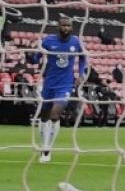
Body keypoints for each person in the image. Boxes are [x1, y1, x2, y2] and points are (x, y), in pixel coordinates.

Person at [30, 17, 87, 163]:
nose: (66, 28)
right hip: (49, 83)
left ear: (72, 28)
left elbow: (83, 58)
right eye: (64, 25)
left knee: (55, 115)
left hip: (66, 85)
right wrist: (34, 58)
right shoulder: (48, 41)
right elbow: (35, 58)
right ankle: (44, 146)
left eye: (68, 26)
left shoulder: (76, 42)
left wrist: (81, 73)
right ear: (58, 26)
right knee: (44, 116)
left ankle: (47, 149)